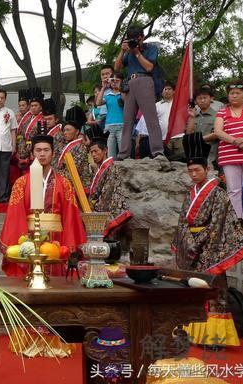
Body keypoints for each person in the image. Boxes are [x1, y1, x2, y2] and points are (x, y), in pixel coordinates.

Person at [172, 133, 243, 347]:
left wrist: (197, 244)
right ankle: (191, 332)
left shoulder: (219, 194)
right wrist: (187, 242)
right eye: (190, 171)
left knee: (214, 292)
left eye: (197, 170)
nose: (193, 174)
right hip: (192, 247)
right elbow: (182, 220)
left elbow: (218, 224)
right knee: (192, 289)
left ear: (207, 169)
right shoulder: (190, 194)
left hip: (210, 249)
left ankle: (214, 337)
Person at [0, 127, 87, 277]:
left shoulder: (64, 183)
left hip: (57, 241)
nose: (42, 154)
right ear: (32, 154)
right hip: (29, 237)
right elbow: (16, 216)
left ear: (53, 153)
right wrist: (22, 243)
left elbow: (71, 218)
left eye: (46, 150)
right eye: (38, 150)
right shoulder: (21, 183)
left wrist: (68, 246)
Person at [214, 80, 243, 235]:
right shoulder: (222, 112)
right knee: (234, 189)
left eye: (237, 93)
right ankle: (236, 222)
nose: (234, 95)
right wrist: (235, 141)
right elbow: (218, 131)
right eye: (231, 93)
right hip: (229, 153)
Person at [114, 26, 165, 160]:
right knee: (127, 120)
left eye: (136, 40)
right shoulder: (128, 52)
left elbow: (149, 67)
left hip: (145, 80)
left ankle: (158, 151)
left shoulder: (150, 48)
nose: (134, 43)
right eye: (131, 40)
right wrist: (122, 51)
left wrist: (137, 52)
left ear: (142, 37)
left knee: (150, 118)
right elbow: (117, 68)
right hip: (130, 83)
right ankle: (123, 153)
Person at [86, 128, 132, 238]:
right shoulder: (100, 168)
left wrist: (94, 208)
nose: (93, 155)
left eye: (96, 151)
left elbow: (107, 193)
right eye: (91, 152)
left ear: (105, 150)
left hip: (106, 210)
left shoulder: (111, 168)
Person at [56, 106, 93, 190]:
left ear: (76, 131)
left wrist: (55, 175)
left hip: (78, 186)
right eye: (64, 130)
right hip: (67, 183)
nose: (65, 133)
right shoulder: (65, 146)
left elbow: (74, 169)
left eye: (68, 130)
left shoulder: (80, 148)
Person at [187, 87, 219, 167]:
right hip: (195, 154)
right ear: (195, 101)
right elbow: (189, 134)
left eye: (205, 98)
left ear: (211, 99)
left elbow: (217, 133)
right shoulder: (194, 116)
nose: (202, 100)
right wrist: (192, 117)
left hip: (211, 155)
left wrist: (198, 139)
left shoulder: (218, 115)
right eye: (199, 98)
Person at [96, 72, 125, 158]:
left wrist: (121, 87)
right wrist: (103, 88)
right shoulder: (107, 95)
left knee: (123, 152)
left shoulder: (123, 93)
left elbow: (125, 101)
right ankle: (112, 170)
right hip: (109, 126)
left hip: (121, 125)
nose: (114, 82)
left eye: (117, 80)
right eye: (112, 80)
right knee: (110, 154)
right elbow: (98, 102)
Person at [15, 96, 45, 177]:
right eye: (32, 106)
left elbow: (41, 138)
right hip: (23, 149)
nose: (33, 108)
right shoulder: (27, 118)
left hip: (33, 149)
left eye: (36, 105)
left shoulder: (42, 120)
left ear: (40, 107)